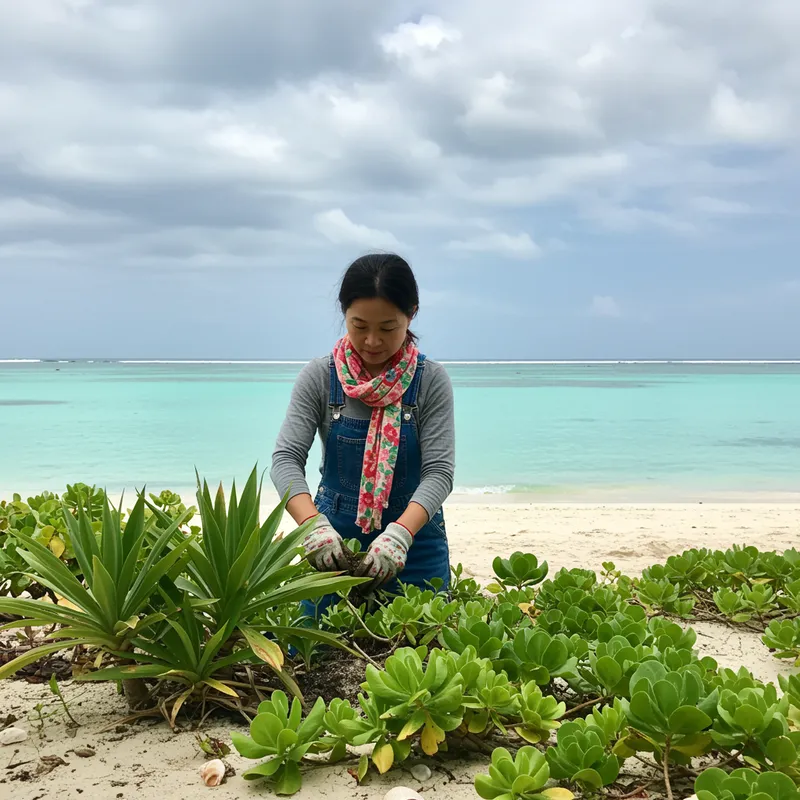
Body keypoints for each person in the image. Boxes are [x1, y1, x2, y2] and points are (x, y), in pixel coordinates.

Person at [271, 253, 455, 612]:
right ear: (344, 314)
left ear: (412, 314)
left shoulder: (430, 380)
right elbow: (285, 460)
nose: (372, 341)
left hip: (415, 544)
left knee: (422, 660)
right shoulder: (319, 377)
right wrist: (312, 525)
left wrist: (400, 535)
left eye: (388, 328)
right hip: (333, 544)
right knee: (317, 657)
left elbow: (439, 473)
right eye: (359, 326)